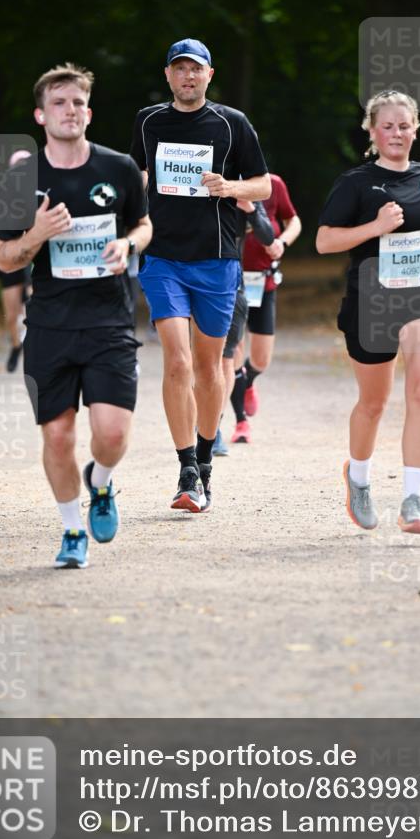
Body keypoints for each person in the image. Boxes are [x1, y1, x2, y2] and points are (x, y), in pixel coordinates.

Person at [0, 63, 152, 568]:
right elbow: (3, 258)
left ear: (89, 111)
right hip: (50, 325)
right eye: (59, 103)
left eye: (78, 102)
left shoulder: (119, 168)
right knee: (58, 435)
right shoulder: (23, 180)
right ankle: (70, 530)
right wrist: (37, 234)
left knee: (111, 435)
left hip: (108, 322)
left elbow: (144, 224)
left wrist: (129, 244)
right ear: (41, 115)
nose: (70, 110)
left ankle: (100, 484)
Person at [316, 89, 420, 534]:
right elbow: (325, 241)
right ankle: (359, 478)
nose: (397, 133)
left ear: (416, 129)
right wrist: (376, 227)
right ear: (372, 130)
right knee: (373, 403)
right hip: (371, 303)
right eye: (387, 126)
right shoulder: (355, 182)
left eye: (404, 126)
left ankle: (414, 499)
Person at [130, 38, 270, 512]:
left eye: (196, 69)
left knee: (210, 368)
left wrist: (229, 187)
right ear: (167, 75)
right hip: (163, 257)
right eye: (179, 69)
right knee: (177, 362)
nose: (187, 76)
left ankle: (206, 462)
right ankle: (186, 467)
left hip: (217, 258)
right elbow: (138, 177)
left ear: (210, 75)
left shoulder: (232, 124)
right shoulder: (148, 121)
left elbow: (264, 184)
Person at [230, 173, 302, 443]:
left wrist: (282, 243)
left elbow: (293, 220)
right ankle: (240, 422)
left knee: (260, 359)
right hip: (229, 280)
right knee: (233, 351)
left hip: (263, 281)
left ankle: (247, 381)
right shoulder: (220, 183)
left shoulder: (273, 184)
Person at [213, 197, 274, 455]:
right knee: (198, 359)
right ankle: (214, 427)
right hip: (188, 276)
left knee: (228, 358)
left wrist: (248, 206)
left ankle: (211, 426)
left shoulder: (249, 185)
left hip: (232, 282)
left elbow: (268, 235)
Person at [0, 149, 33, 372]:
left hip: (33, 257)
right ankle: (15, 346)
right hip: (11, 257)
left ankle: (36, 350)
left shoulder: (41, 189)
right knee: (11, 313)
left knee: (33, 302)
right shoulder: (4, 192)